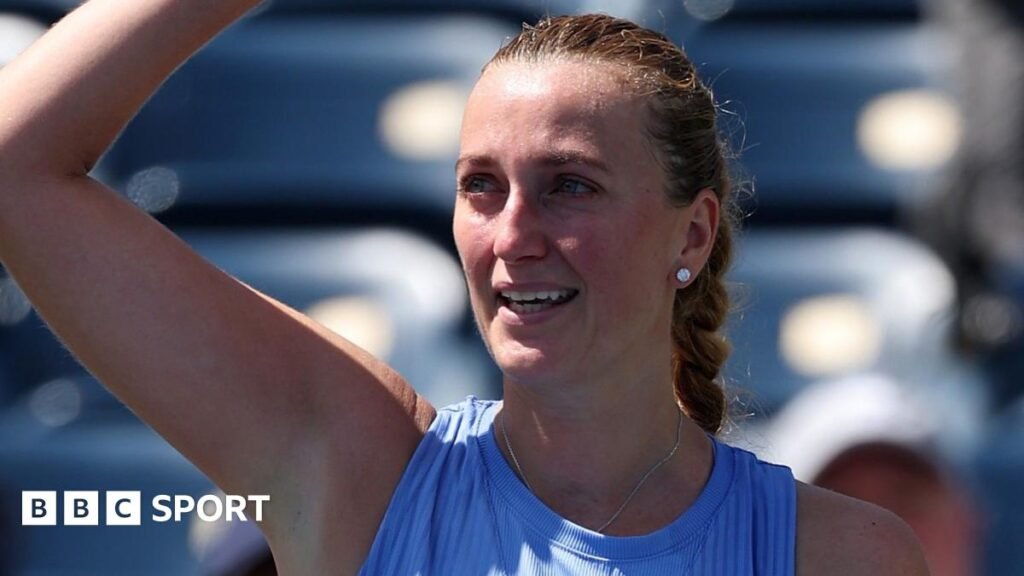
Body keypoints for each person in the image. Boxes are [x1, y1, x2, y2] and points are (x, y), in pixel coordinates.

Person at [0, 1, 928, 574]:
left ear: (692, 232)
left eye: (570, 186)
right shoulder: (360, 473)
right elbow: (15, 166)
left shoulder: (842, 556)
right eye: (481, 187)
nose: (512, 237)